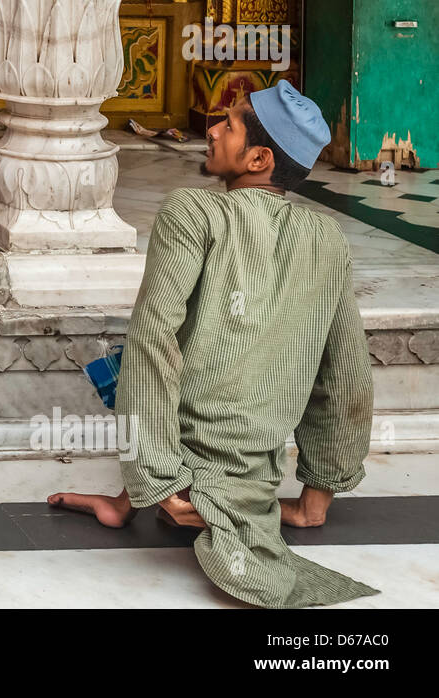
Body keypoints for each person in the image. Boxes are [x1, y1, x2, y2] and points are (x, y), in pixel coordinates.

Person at [47, 82, 378, 609]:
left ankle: (143, 497)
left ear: (258, 158)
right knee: (227, 342)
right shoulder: (327, 239)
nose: (213, 128)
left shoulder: (193, 211)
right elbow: (344, 373)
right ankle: (135, 501)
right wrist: (316, 498)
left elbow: (155, 341)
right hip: (256, 476)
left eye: (230, 124)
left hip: (185, 470)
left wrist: (156, 481)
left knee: (144, 350)